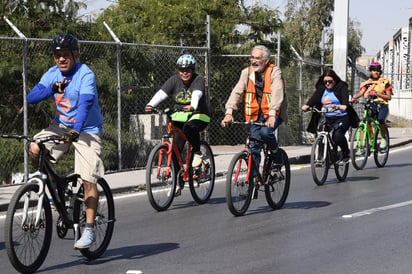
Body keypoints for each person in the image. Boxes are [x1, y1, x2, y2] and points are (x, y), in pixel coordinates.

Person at [27, 34, 104, 249]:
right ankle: (54, 187)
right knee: (34, 147)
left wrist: (76, 131)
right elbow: (31, 97)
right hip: (60, 126)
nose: (61, 59)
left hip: (87, 129)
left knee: (88, 179)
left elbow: (85, 105)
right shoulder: (52, 74)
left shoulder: (85, 74)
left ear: (75, 55)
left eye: (65, 55)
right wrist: (51, 89)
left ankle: (88, 230)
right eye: (57, 55)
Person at [221, 45, 288, 171]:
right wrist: (229, 112)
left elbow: (277, 93)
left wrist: (272, 114)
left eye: (257, 58)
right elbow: (237, 92)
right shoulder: (246, 73)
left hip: (274, 112)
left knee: (266, 132)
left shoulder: (275, 72)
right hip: (256, 114)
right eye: (252, 57)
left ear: (266, 60)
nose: (253, 61)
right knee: (254, 143)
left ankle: (276, 154)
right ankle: (254, 180)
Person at [145, 54, 210, 170]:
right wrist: (150, 104)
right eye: (181, 70)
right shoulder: (174, 80)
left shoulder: (198, 79)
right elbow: (161, 94)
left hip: (199, 114)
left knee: (190, 128)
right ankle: (177, 182)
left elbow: (197, 94)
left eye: (187, 70)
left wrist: (193, 106)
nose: (184, 73)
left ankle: (197, 152)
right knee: (175, 150)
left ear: (192, 70)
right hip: (181, 116)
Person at [302, 69, 350, 163]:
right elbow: (315, 98)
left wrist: (342, 106)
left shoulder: (341, 86)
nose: (327, 84)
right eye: (325, 82)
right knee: (320, 132)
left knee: (337, 136)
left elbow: (345, 99)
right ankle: (322, 155)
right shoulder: (322, 89)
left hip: (341, 117)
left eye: (330, 81)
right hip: (327, 117)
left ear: (335, 80)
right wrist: (307, 105)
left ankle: (345, 153)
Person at [351, 61, 393, 149]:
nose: (376, 72)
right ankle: (364, 144)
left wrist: (378, 94)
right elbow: (361, 93)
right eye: (373, 70)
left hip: (382, 106)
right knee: (365, 122)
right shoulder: (367, 83)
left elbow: (389, 97)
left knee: (381, 120)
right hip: (371, 105)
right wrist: (354, 99)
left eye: (377, 70)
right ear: (370, 71)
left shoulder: (384, 82)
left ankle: (383, 138)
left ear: (380, 71)